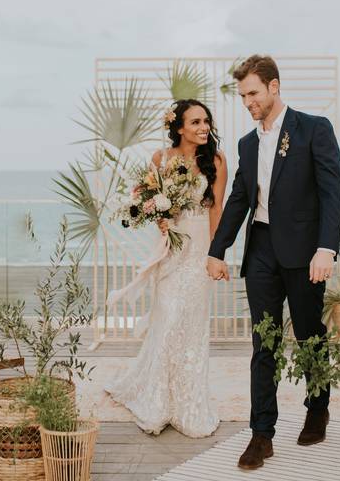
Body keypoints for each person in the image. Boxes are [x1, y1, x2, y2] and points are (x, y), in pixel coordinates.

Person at [207, 55, 340, 470]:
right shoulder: (247, 144)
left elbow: (331, 191)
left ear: (274, 86)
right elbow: (238, 200)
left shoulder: (313, 129)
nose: (248, 101)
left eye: (253, 92)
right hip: (262, 250)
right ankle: (261, 435)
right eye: (243, 95)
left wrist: (327, 248)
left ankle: (317, 408)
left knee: (309, 335)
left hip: (305, 253)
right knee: (262, 342)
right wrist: (217, 249)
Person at [105, 98, 226, 437]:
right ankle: (157, 399)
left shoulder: (216, 160)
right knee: (169, 318)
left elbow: (217, 210)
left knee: (192, 323)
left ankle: (187, 402)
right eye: (196, 122)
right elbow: (144, 198)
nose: (203, 127)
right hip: (172, 249)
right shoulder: (161, 159)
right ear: (179, 128)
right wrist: (159, 216)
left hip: (200, 247)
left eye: (206, 121)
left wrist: (217, 254)